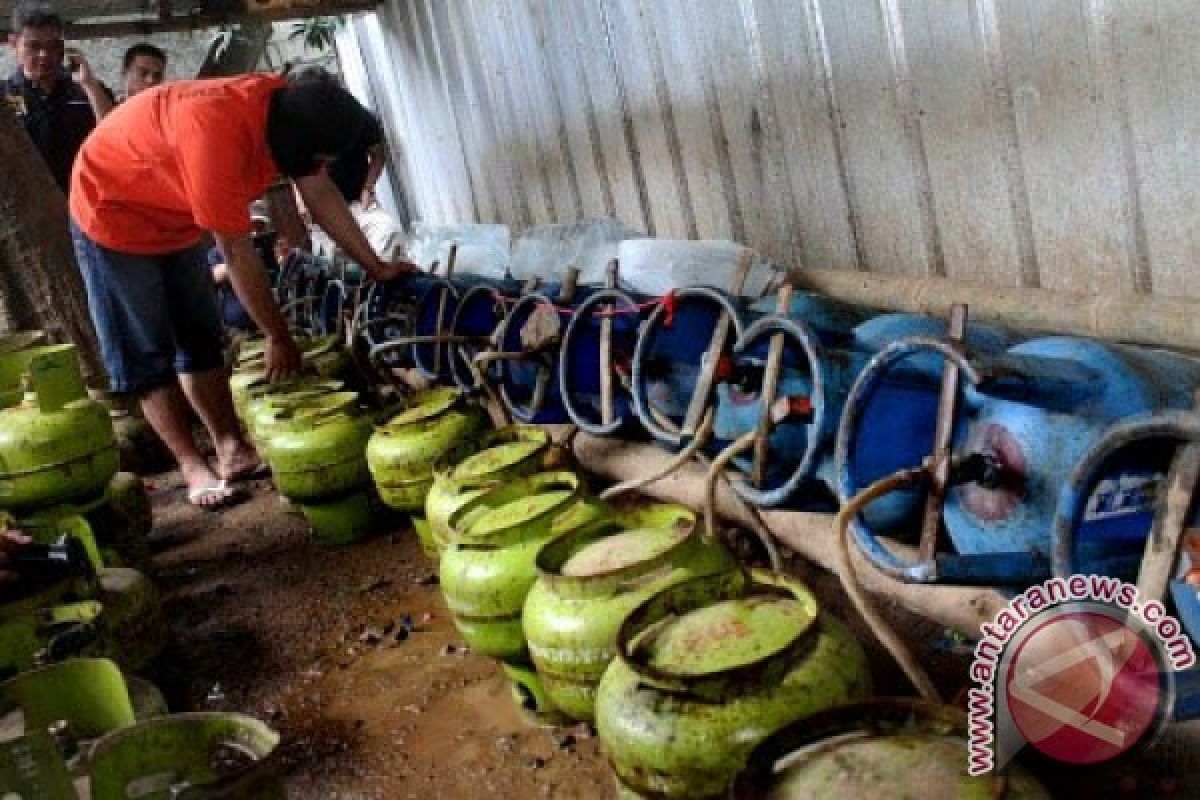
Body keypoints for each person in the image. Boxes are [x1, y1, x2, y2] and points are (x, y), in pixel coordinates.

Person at [69, 73, 417, 509]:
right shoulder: (212, 136)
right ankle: (193, 466)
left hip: (174, 214)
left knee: (198, 333)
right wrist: (277, 336)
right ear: (294, 145)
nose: (324, 164)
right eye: (321, 156)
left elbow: (320, 193)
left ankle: (231, 448)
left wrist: (376, 267)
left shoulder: (289, 109)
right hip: (111, 213)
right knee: (147, 350)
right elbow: (236, 252)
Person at [291, 67, 407, 263]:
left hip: (357, 202)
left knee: (389, 235)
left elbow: (377, 155)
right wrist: (301, 200)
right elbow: (295, 169)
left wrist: (368, 187)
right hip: (321, 211)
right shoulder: (298, 127)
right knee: (338, 266)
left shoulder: (359, 118)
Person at [5, 2, 112, 192]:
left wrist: (90, 85)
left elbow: (114, 135)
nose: (44, 55)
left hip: (80, 202)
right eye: (34, 46)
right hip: (27, 208)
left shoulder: (85, 90)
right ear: (14, 44)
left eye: (52, 46)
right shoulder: (4, 96)